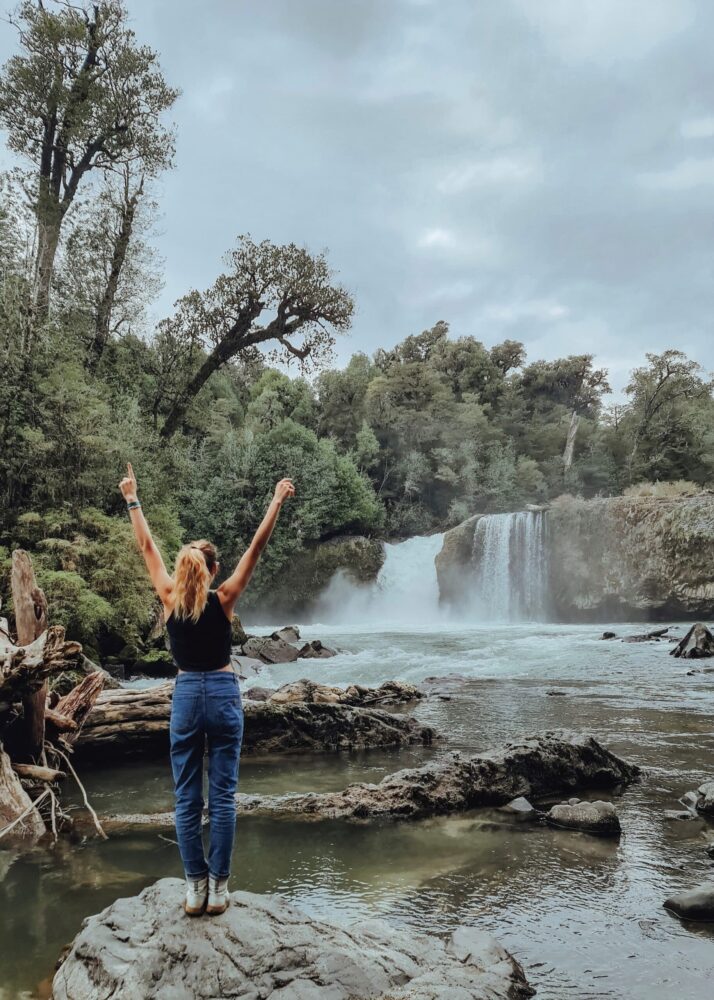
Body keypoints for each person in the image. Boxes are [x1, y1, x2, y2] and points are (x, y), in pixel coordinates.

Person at [118, 462, 295, 916]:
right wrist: (275, 500)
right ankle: (219, 889)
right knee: (222, 797)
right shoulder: (225, 598)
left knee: (185, 797)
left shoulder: (168, 596)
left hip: (184, 697)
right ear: (213, 570)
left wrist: (132, 498)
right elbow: (257, 547)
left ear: (184, 569)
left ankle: (194, 889)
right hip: (221, 693)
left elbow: (145, 546)